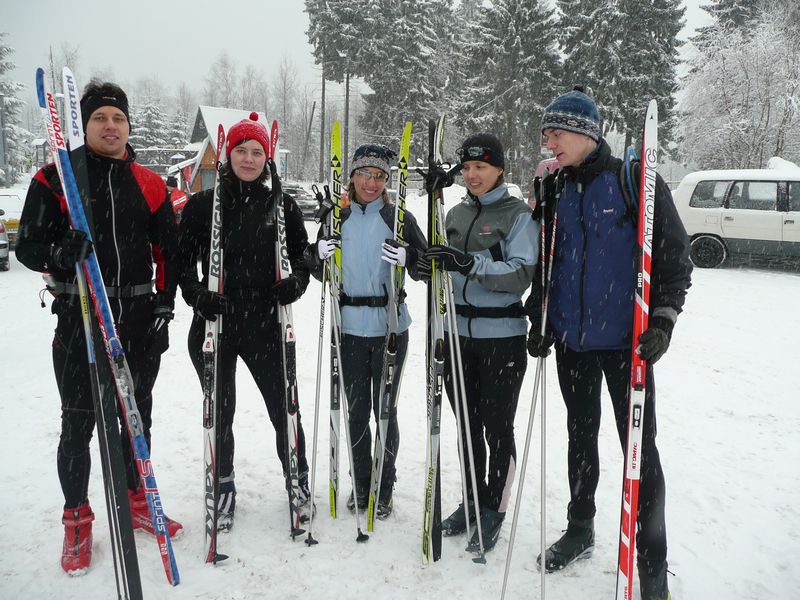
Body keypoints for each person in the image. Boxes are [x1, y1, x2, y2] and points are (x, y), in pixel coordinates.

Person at [526, 87, 691, 600]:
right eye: (546, 132)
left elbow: (674, 258)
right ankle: (581, 527)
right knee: (581, 438)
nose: (548, 140)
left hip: (627, 345)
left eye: (555, 132)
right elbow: (547, 263)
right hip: (573, 342)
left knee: (640, 452)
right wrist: (540, 317)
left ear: (584, 133)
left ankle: (652, 559)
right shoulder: (553, 189)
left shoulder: (635, 181)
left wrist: (661, 319)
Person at [16, 80, 182, 574]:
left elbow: (168, 255)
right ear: (84, 125)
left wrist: (163, 308)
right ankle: (77, 521)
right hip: (78, 317)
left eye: (118, 119)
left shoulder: (150, 183)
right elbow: (27, 246)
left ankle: (136, 501)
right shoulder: (56, 179)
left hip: (134, 319)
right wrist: (60, 253)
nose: (110, 127)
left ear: (128, 126)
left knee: (136, 418)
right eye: (99, 119)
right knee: (78, 423)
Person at [178, 112, 312, 532]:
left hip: (265, 320)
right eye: (241, 151)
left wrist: (296, 284)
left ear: (267, 157)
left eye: (257, 152)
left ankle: (297, 479)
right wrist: (197, 295)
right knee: (220, 410)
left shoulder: (282, 205)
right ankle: (222, 484)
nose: (249, 159)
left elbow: (303, 259)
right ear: (228, 155)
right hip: (216, 319)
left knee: (284, 408)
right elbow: (182, 264)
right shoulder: (204, 205)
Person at [423, 133, 538, 552]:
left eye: (481, 167)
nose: (472, 175)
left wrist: (470, 263)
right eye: (467, 168)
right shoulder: (453, 211)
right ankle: (472, 500)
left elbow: (521, 273)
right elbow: (443, 266)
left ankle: (494, 507)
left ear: (499, 169)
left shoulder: (517, 215)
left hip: (500, 339)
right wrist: (427, 265)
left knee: (496, 428)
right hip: (457, 338)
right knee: (467, 427)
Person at [305, 143, 427, 518]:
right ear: (352, 176)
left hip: (389, 326)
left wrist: (410, 257)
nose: (371, 183)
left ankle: (382, 487)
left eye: (379, 176)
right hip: (349, 328)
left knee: (384, 411)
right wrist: (318, 254)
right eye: (364, 174)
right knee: (357, 412)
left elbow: (425, 267)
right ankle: (361, 484)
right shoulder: (334, 218)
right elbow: (315, 266)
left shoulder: (398, 218)